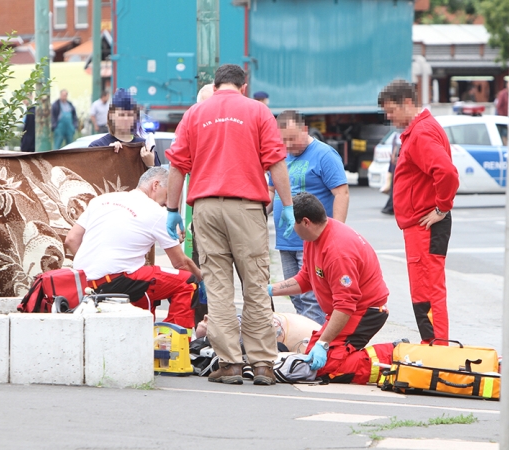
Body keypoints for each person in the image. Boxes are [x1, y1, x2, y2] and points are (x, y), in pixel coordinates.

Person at [165, 64, 295, 386]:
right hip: (248, 208)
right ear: (244, 85)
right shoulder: (258, 112)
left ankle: (230, 364)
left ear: (216, 84)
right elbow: (276, 161)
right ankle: (263, 364)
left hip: (205, 209)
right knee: (255, 284)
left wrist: (171, 209)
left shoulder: (195, 114)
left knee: (219, 288)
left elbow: (177, 166)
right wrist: (288, 206)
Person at [268, 193, 394, 384]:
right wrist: (270, 290)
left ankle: (391, 356)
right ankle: (349, 354)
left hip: (365, 311)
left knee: (327, 367)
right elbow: (306, 279)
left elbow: (345, 305)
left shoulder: (338, 251)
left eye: (292, 224)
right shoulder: (313, 238)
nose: (292, 229)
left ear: (306, 222)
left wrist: (324, 343)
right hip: (346, 310)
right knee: (312, 356)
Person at [65, 167, 202, 329]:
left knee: (147, 281)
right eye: (168, 195)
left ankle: (141, 333)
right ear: (155, 185)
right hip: (117, 279)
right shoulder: (157, 213)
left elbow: (71, 239)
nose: (167, 203)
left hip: (83, 281)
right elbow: (181, 264)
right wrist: (202, 280)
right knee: (187, 282)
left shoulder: (101, 200)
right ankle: (174, 343)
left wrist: (96, 268)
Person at [378, 79, 459, 345]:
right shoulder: (420, 130)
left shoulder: (421, 132)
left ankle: (437, 347)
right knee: (423, 288)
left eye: (391, 111)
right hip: (421, 224)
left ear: (408, 103)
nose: (389, 118)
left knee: (427, 289)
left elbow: (446, 172)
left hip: (425, 225)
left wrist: (442, 207)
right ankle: (433, 344)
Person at [269, 110, 349, 325]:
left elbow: (341, 193)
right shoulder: (280, 156)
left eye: (293, 138)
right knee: (295, 295)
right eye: (283, 140)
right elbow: (271, 192)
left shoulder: (324, 155)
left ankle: (314, 342)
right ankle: (307, 339)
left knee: (312, 297)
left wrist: (337, 233)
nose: (289, 144)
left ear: (305, 130)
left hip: (312, 241)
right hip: (286, 242)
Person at [88, 88, 159, 167]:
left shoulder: (145, 147)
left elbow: (159, 178)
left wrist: (150, 165)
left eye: (129, 115)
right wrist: (107, 154)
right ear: (111, 115)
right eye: (121, 115)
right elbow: (90, 176)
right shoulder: (97, 147)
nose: (126, 119)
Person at [380, 132, 401, 215]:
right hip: (396, 164)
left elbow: (396, 150)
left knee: (395, 186)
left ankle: (391, 207)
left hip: (397, 164)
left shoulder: (400, 134)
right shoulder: (398, 134)